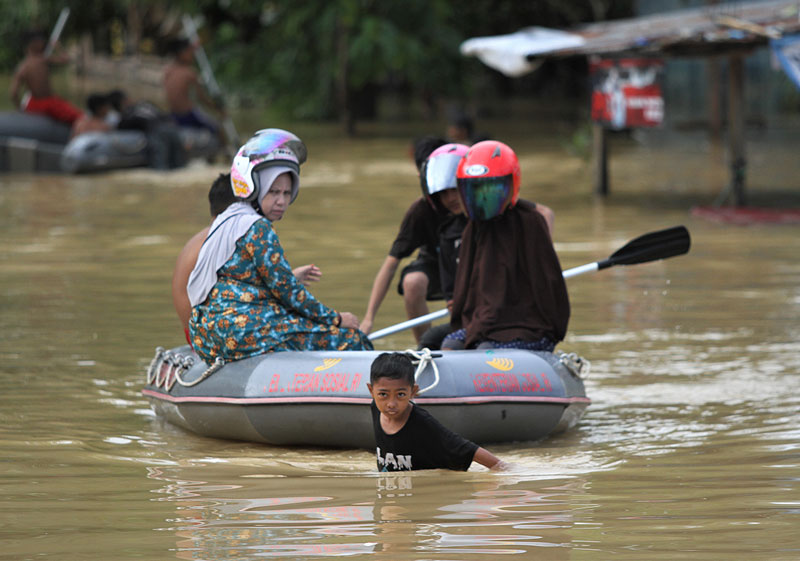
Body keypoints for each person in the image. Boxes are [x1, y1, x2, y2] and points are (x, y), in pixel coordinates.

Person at [187, 128, 371, 363]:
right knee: (351, 339)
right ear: (256, 187)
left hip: (205, 337)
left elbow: (242, 283)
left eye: (286, 192)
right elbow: (289, 293)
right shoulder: (258, 227)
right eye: (273, 192)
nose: (282, 201)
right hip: (240, 332)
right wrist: (336, 319)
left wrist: (292, 278)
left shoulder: (228, 218)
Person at [442, 140, 570, 352]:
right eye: (474, 192)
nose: (482, 200)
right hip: (484, 321)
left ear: (511, 186)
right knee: (446, 343)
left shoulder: (530, 222)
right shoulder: (474, 228)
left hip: (525, 325)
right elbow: (470, 289)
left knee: (484, 350)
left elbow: (547, 287)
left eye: (490, 191)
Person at [173, 172, 324, 345]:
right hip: (206, 337)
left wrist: (290, 278)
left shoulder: (208, 240)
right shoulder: (224, 241)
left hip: (199, 332)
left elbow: (238, 292)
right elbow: (231, 301)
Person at [360, 135, 451, 343]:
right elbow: (391, 263)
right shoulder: (420, 211)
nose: (451, 198)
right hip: (437, 265)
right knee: (412, 282)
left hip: (470, 268)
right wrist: (369, 318)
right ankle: (427, 348)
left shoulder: (473, 202)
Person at [368, 352, 507, 472]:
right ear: (371, 391)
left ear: (413, 392)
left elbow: (466, 448)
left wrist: (502, 468)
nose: (391, 404)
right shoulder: (376, 407)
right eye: (383, 395)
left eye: (400, 395)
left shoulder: (422, 422)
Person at [10, 30, 83, 125]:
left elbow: (13, 94)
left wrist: (19, 108)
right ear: (32, 44)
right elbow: (13, 92)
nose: (43, 43)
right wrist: (58, 47)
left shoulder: (27, 64)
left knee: (65, 105)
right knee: (80, 118)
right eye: (40, 41)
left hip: (39, 102)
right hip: (45, 103)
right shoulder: (39, 61)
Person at [107, 89, 187, 169]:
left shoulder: (127, 114)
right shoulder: (145, 104)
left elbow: (122, 126)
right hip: (170, 127)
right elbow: (163, 115)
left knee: (160, 164)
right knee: (178, 163)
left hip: (156, 132)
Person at [163, 38, 221, 135]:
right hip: (188, 115)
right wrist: (217, 108)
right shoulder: (189, 73)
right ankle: (225, 149)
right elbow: (202, 98)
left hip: (174, 115)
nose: (193, 55)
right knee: (218, 129)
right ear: (182, 53)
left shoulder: (168, 71)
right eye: (190, 52)